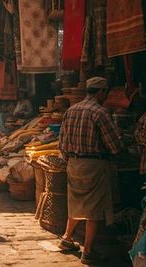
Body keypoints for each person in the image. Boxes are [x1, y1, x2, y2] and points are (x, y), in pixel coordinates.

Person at [57, 76, 122, 264]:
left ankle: (67, 238)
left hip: (74, 163)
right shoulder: (101, 112)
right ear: (101, 92)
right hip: (94, 164)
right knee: (94, 209)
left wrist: (71, 159)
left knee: (76, 203)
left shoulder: (71, 110)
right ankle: (88, 251)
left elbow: (62, 142)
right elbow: (114, 146)